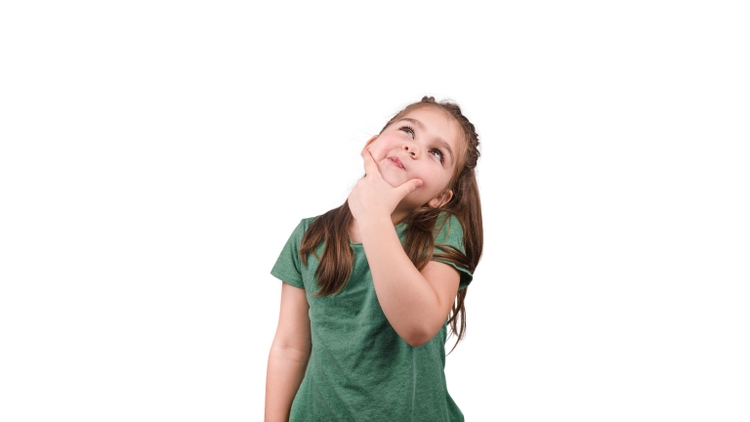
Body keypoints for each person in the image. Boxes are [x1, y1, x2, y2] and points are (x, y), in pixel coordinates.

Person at [265, 96, 483, 422]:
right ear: (372, 145)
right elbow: (289, 347)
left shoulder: (444, 230)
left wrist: (375, 216)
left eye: (436, 153)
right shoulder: (309, 236)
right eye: (408, 131)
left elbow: (418, 326)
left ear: (440, 197)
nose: (414, 148)